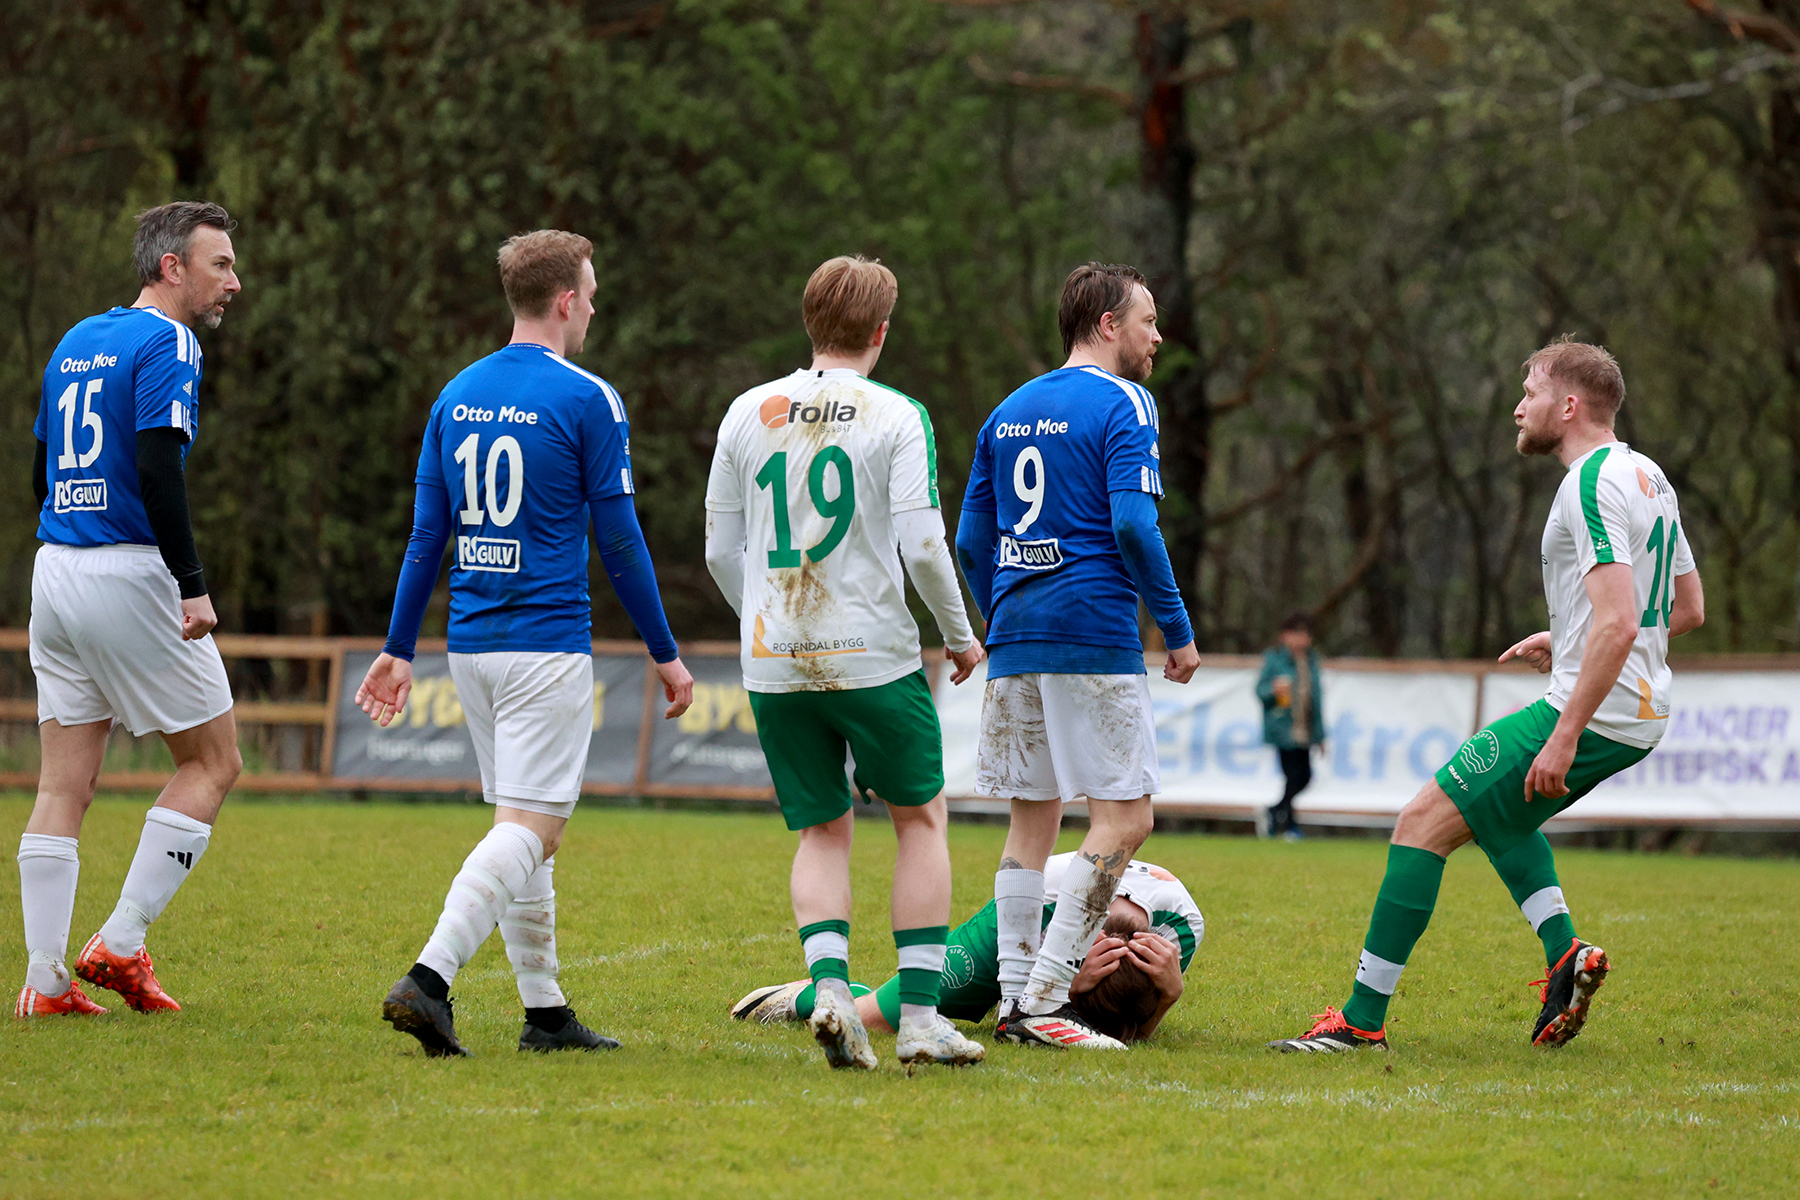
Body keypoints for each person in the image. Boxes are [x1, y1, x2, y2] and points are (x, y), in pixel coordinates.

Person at [1270, 338, 1704, 1053]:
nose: (1517, 407)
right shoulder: (1650, 476)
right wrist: (1566, 635)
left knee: (1422, 820)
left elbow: (1625, 622)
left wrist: (1566, 728)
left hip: (1598, 711)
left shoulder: (1590, 480)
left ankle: (1359, 1021)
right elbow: (1684, 609)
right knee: (1498, 816)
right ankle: (1565, 954)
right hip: (1641, 713)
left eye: (1529, 392)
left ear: (1568, 405)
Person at [359, 229, 694, 1057]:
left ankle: (544, 1014)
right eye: (593, 289)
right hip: (545, 645)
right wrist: (665, 651)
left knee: (526, 827)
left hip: (470, 644)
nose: (595, 305)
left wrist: (400, 647)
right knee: (532, 829)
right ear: (566, 301)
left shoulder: (455, 395)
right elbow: (619, 543)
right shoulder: (589, 397)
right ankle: (430, 979)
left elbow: (424, 537)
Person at [704, 255, 986, 1070]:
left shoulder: (745, 412)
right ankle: (923, 1020)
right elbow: (925, 543)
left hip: (776, 657)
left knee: (823, 831)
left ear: (809, 322)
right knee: (920, 819)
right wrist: (960, 635)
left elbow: (722, 549)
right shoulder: (897, 414)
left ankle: (830, 992)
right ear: (881, 331)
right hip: (872, 652)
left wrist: (763, 622)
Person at [955, 262, 1201, 1051]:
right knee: (1126, 817)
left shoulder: (1008, 409)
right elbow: (1133, 525)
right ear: (1105, 324)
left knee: (1032, 822)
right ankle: (1045, 997)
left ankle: (1010, 1001)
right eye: (1147, 321)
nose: (1156, 337)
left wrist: (1004, 617)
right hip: (1092, 628)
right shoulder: (1127, 401)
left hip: (1018, 634)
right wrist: (1177, 625)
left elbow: (970, 540)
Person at [16, 202, 245, 1019]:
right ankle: (119, 942)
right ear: (171, 268)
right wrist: (190, 581)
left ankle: (44, 987)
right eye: (219, 264)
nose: (233, 281)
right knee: (214, 762)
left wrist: (69, 540)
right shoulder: (167, 341)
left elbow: (39, 472)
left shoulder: (77, 338)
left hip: (56, 569)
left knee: (62, 786)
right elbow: (157, 467)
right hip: (126, 569)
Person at [730, 853, 1202, 1046]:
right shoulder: (1036, 914)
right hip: (1019, 926)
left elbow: (1125, 1034)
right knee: (870, 1020)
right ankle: (811, 993)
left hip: (1084, 928)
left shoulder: (1182, 931)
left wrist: (1168, 997)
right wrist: (1057, 980)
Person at [1256, 612, 1326, 840]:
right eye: (1296, 634)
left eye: (1305, 634)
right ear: (1285, 636)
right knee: (1292, 776)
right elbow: (1260, 691)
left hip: (1305, 729)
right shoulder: (1274, 659)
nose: (1302, 639)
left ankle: (1276, 812)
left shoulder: (1311, 661)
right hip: (1283, 728)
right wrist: (1273, 691)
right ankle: (1289, 825)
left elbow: (1316, 701)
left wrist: (1321, 735)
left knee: (1304, 777)